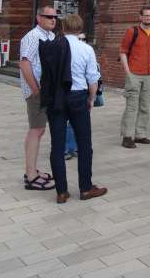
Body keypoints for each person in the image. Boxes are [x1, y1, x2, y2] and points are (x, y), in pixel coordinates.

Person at [44, 14, 107, 204]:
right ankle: (85, 187)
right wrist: (91, 97)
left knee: (57, 144)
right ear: (80, 29)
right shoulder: (86, 49)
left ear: (63, 28)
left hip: (56, 98)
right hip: (78, 96)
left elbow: (43, 73)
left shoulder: (52, 47)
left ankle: (61, 191)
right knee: (84, 143)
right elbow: (93, 78)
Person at [18, 5, 57, 191]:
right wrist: (35, 89)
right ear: (38, 18)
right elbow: (25, 63)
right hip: (37, 92)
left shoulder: (50, 36)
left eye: (55, 16)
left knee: (39, 130)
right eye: (48, 16)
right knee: (36, 129)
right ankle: (31, 175)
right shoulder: (33, 37)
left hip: (46, 90)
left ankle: (32, 170)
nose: (53, 19)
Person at [119, 4, 150, 148]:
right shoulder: (132, 31)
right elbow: (123, 51)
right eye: (146, 15)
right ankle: (127, 136)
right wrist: (128, 72)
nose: (148, 17)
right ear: (140, 17)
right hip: (134, 74)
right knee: (132, 107)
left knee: (145, 106)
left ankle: (140, 134)